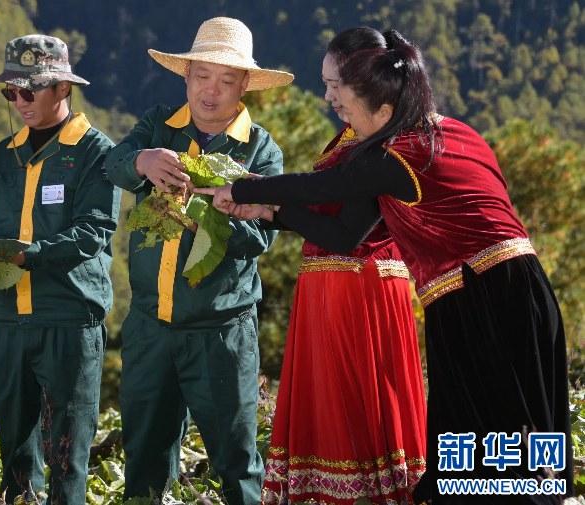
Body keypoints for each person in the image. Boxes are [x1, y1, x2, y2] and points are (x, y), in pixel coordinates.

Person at [197, 31, 574, 504]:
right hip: (526, 291)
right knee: (521, 436)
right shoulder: (455, 133)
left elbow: (323, 185)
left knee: (483, 435)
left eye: (346, 101)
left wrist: (244, 189)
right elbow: (345, 236)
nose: (339, 110)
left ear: (383, 111)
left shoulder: (396, 154)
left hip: (478, 295)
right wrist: (270, 214)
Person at [104, 17, 291, 505]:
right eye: (202, 76)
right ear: (185, 76)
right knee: (143, 456)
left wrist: (205, 213)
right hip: (150, 325)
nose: (212, 90)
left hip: (221, 332)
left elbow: (259, 238)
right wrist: (141, 161)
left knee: (237, 462)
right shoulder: (158, 125)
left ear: (245, 84)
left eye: (226, 79)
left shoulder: (260, 149)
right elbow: (114, 163)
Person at [249, 27, 427, 505]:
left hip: (357, 290)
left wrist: (257, 193)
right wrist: (271, 212)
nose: (327, 95)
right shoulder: (360, 130)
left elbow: (346, 236)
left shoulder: (378, 138)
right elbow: (330, 214)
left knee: (352, 412)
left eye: (334, 84)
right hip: (340, 286)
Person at [0, 35, 121, 504]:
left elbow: (92, 233)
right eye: (11, 92)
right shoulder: (2, 155)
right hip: (9, 324)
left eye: (29, 90)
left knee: (66, 454)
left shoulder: (96, 151)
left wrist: (20, 256)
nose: (20, 101)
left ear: (62, 89)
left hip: (68, 322)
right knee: (15, 452)